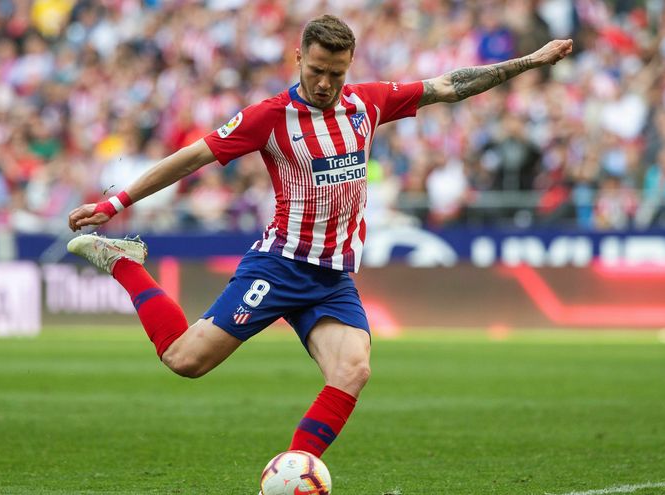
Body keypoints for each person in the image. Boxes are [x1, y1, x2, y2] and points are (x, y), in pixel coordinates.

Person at [67, 14, 572, 463]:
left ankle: (295, 469)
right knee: (185, 360)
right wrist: (113, 205)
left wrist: (531, 61)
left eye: (337, 73)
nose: (326, 83)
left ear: (349, 66)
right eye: (316, 71)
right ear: (298, 58)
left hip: (333, 280)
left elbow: (448, 85)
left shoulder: (368, 103)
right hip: (280, 266)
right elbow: (191, 158)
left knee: (353, 370)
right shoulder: (269, 118)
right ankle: (124, 262)